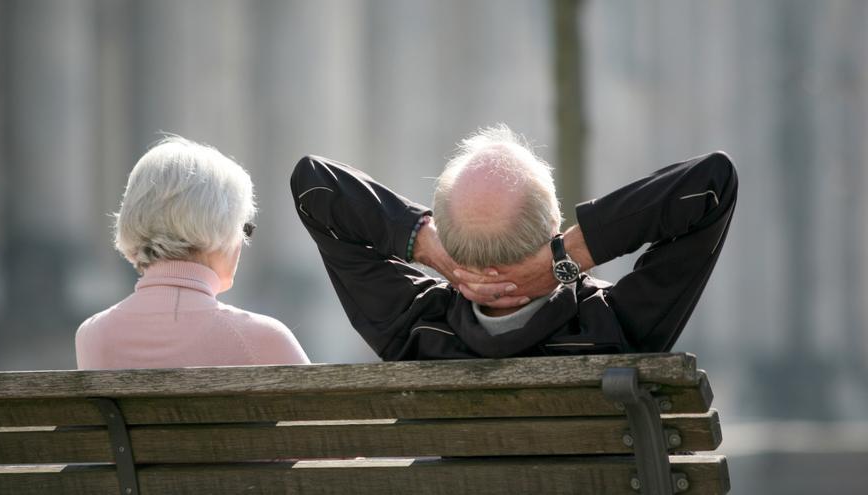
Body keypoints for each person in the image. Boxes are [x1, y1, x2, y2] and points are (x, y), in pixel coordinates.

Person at [291, 125, 737, 360]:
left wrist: (429, 248)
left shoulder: (413, 331)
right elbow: (712, 184)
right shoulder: (617, 327)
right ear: (554, 222)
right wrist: (568, 258)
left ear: (450, 238)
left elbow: (316, 188)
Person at [76, 136, 310, 369]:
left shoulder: (92, 335)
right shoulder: (263, 338)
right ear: (221, 227)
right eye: (243, 228)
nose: (242, 242)